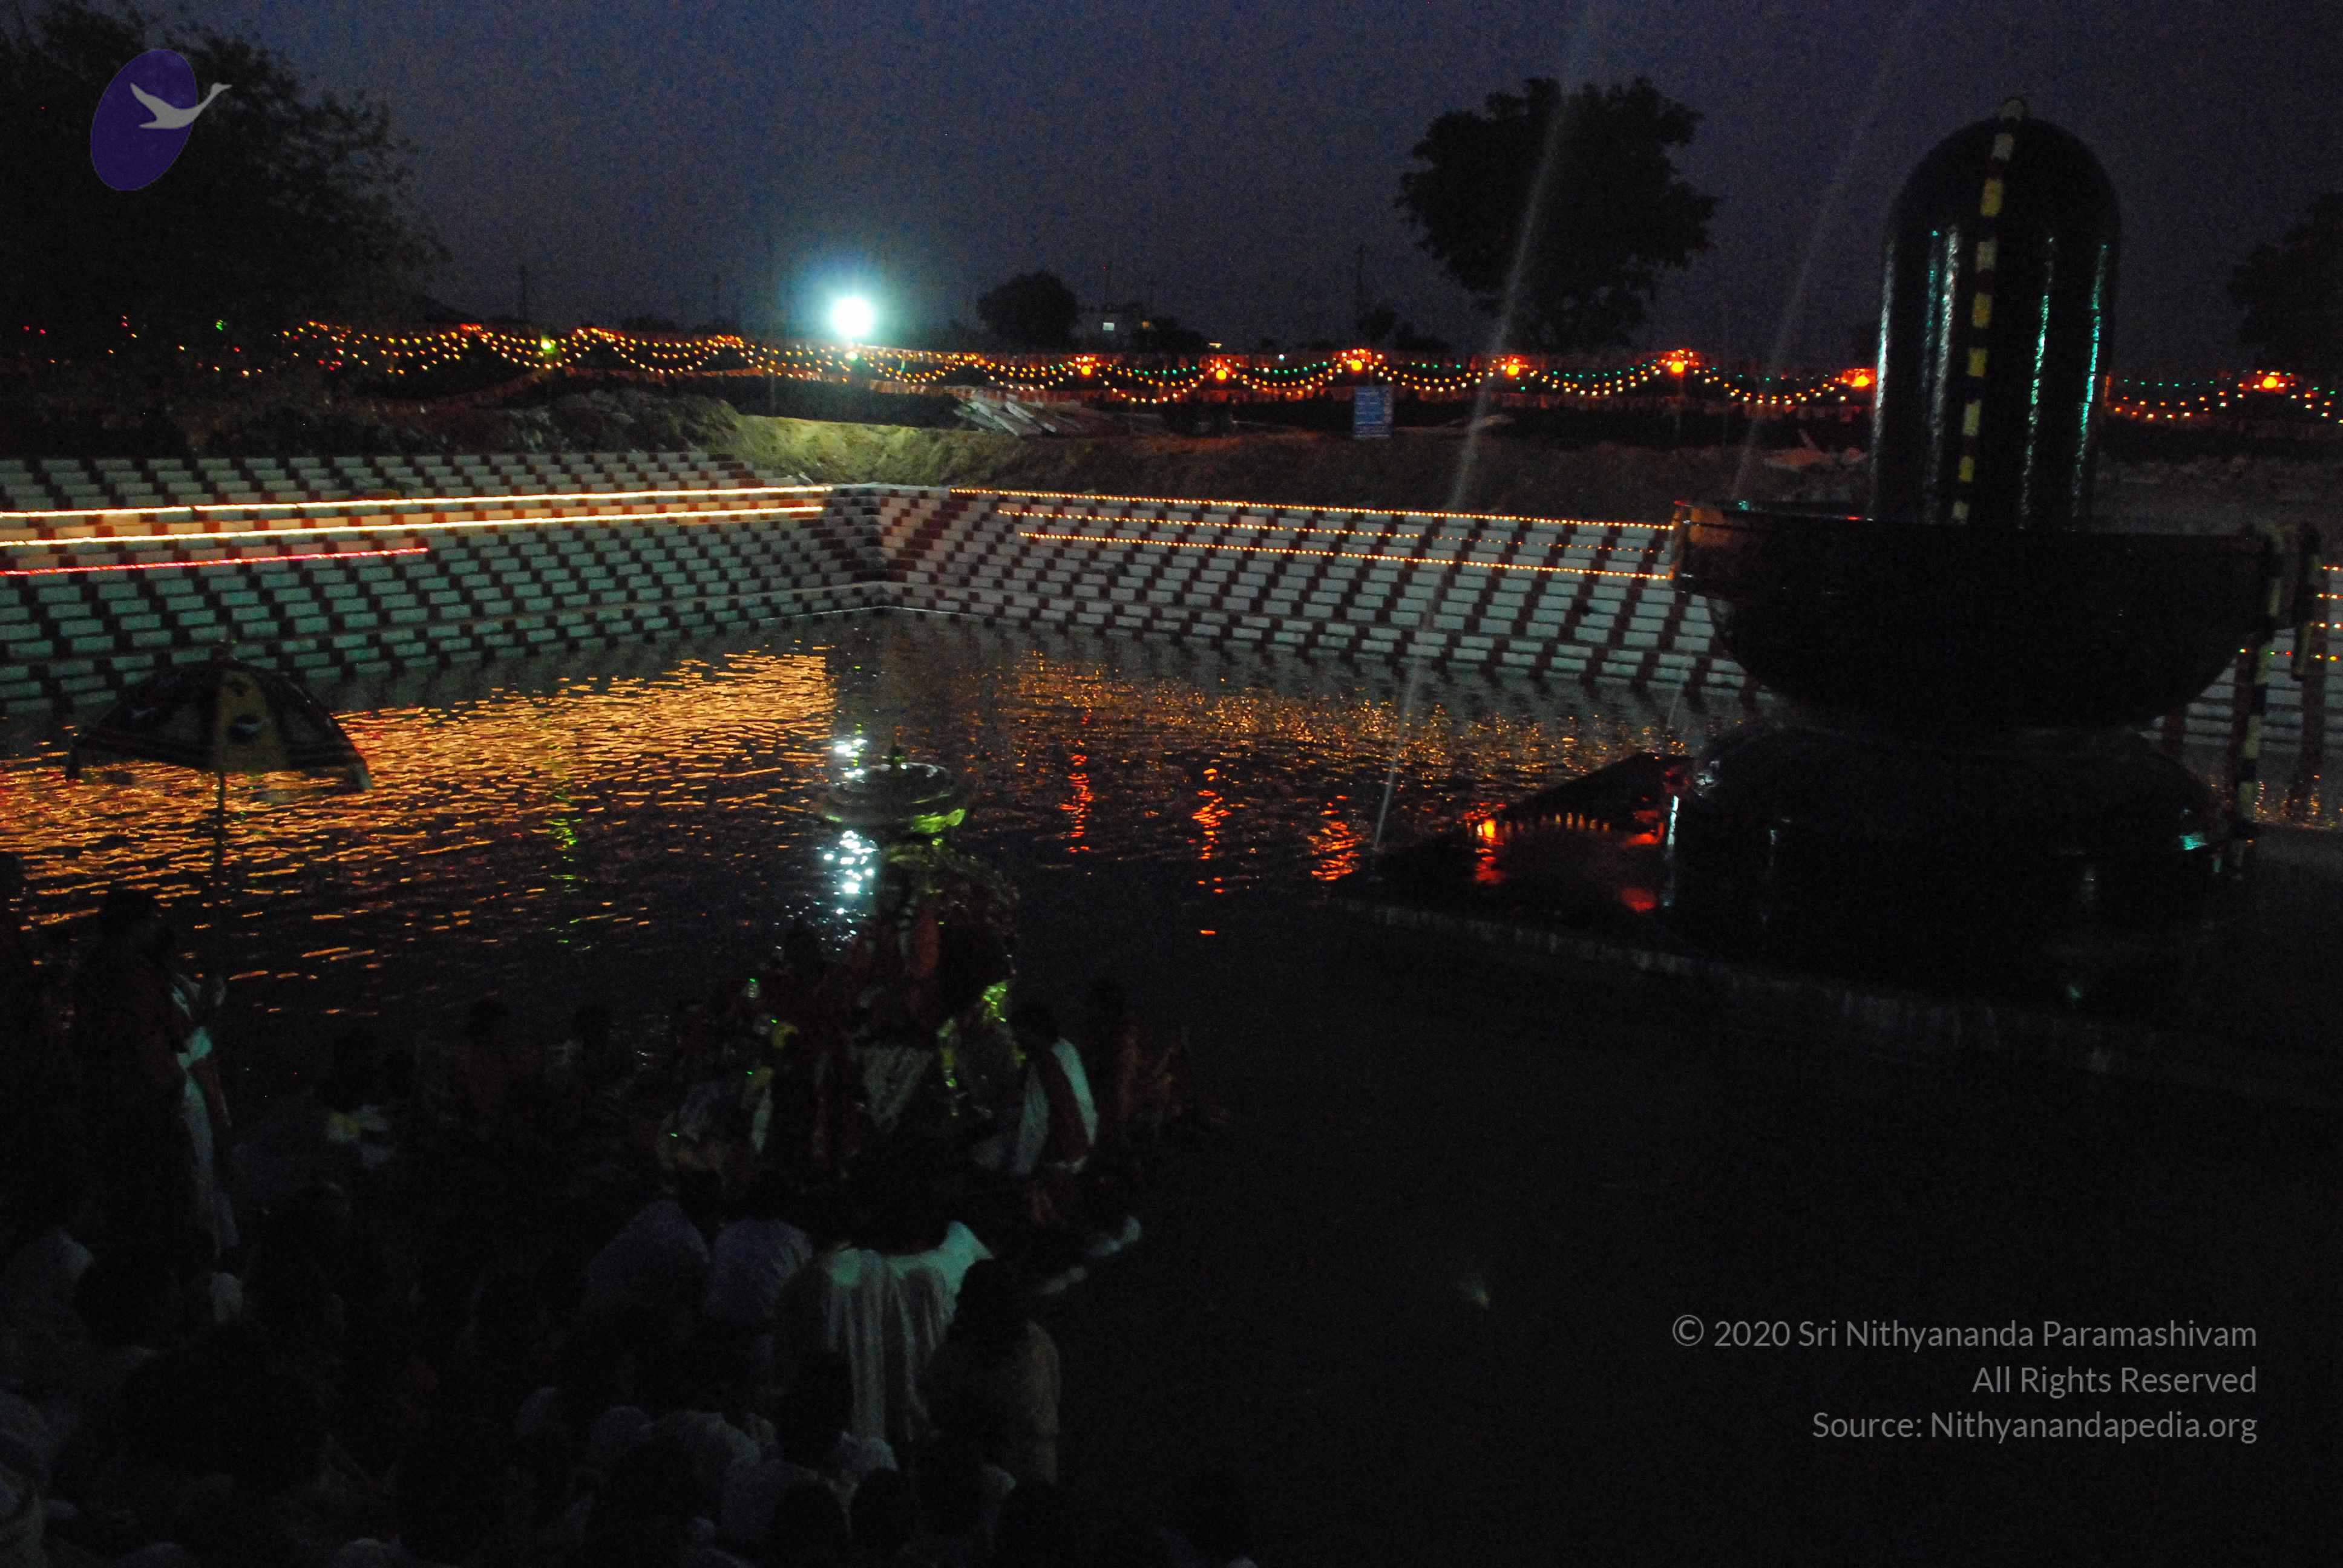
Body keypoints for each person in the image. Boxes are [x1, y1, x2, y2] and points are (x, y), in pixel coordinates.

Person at [919, 1261, 1058, 1486]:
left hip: (1004, 1472)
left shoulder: (972, 1349)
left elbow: (941, 1404)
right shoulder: (1035, 1341)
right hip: (1023, 1470)